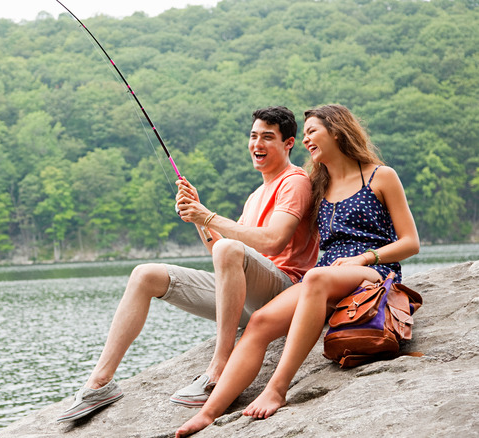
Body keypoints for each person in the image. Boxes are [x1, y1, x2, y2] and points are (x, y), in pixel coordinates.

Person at [57, 106, 319, 423]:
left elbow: (273, 241)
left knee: (228, 247)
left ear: (289, 143)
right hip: (249, 297)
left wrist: (207, 215)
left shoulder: (295, 181)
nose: (257, 145)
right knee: (145, 275)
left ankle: (220, 367)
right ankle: (100, 383)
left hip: (283, 295)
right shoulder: (255, 196)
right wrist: (198, 216)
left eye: (267, 137)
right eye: (253, 136)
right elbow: (221, 255)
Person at [174, 104, 420, 437]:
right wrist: (202, 219)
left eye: (312, 132)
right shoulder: (318, 184)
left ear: (336, 131)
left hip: (373, 274)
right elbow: (267, 239)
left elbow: (410, 242)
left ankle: (277, 387)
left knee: (316, 278)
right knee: (259, 323)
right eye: (303, 135)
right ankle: (208, 412)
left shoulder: (380, 176)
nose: (305, 140)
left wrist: (364, 259)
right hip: (327, 277)